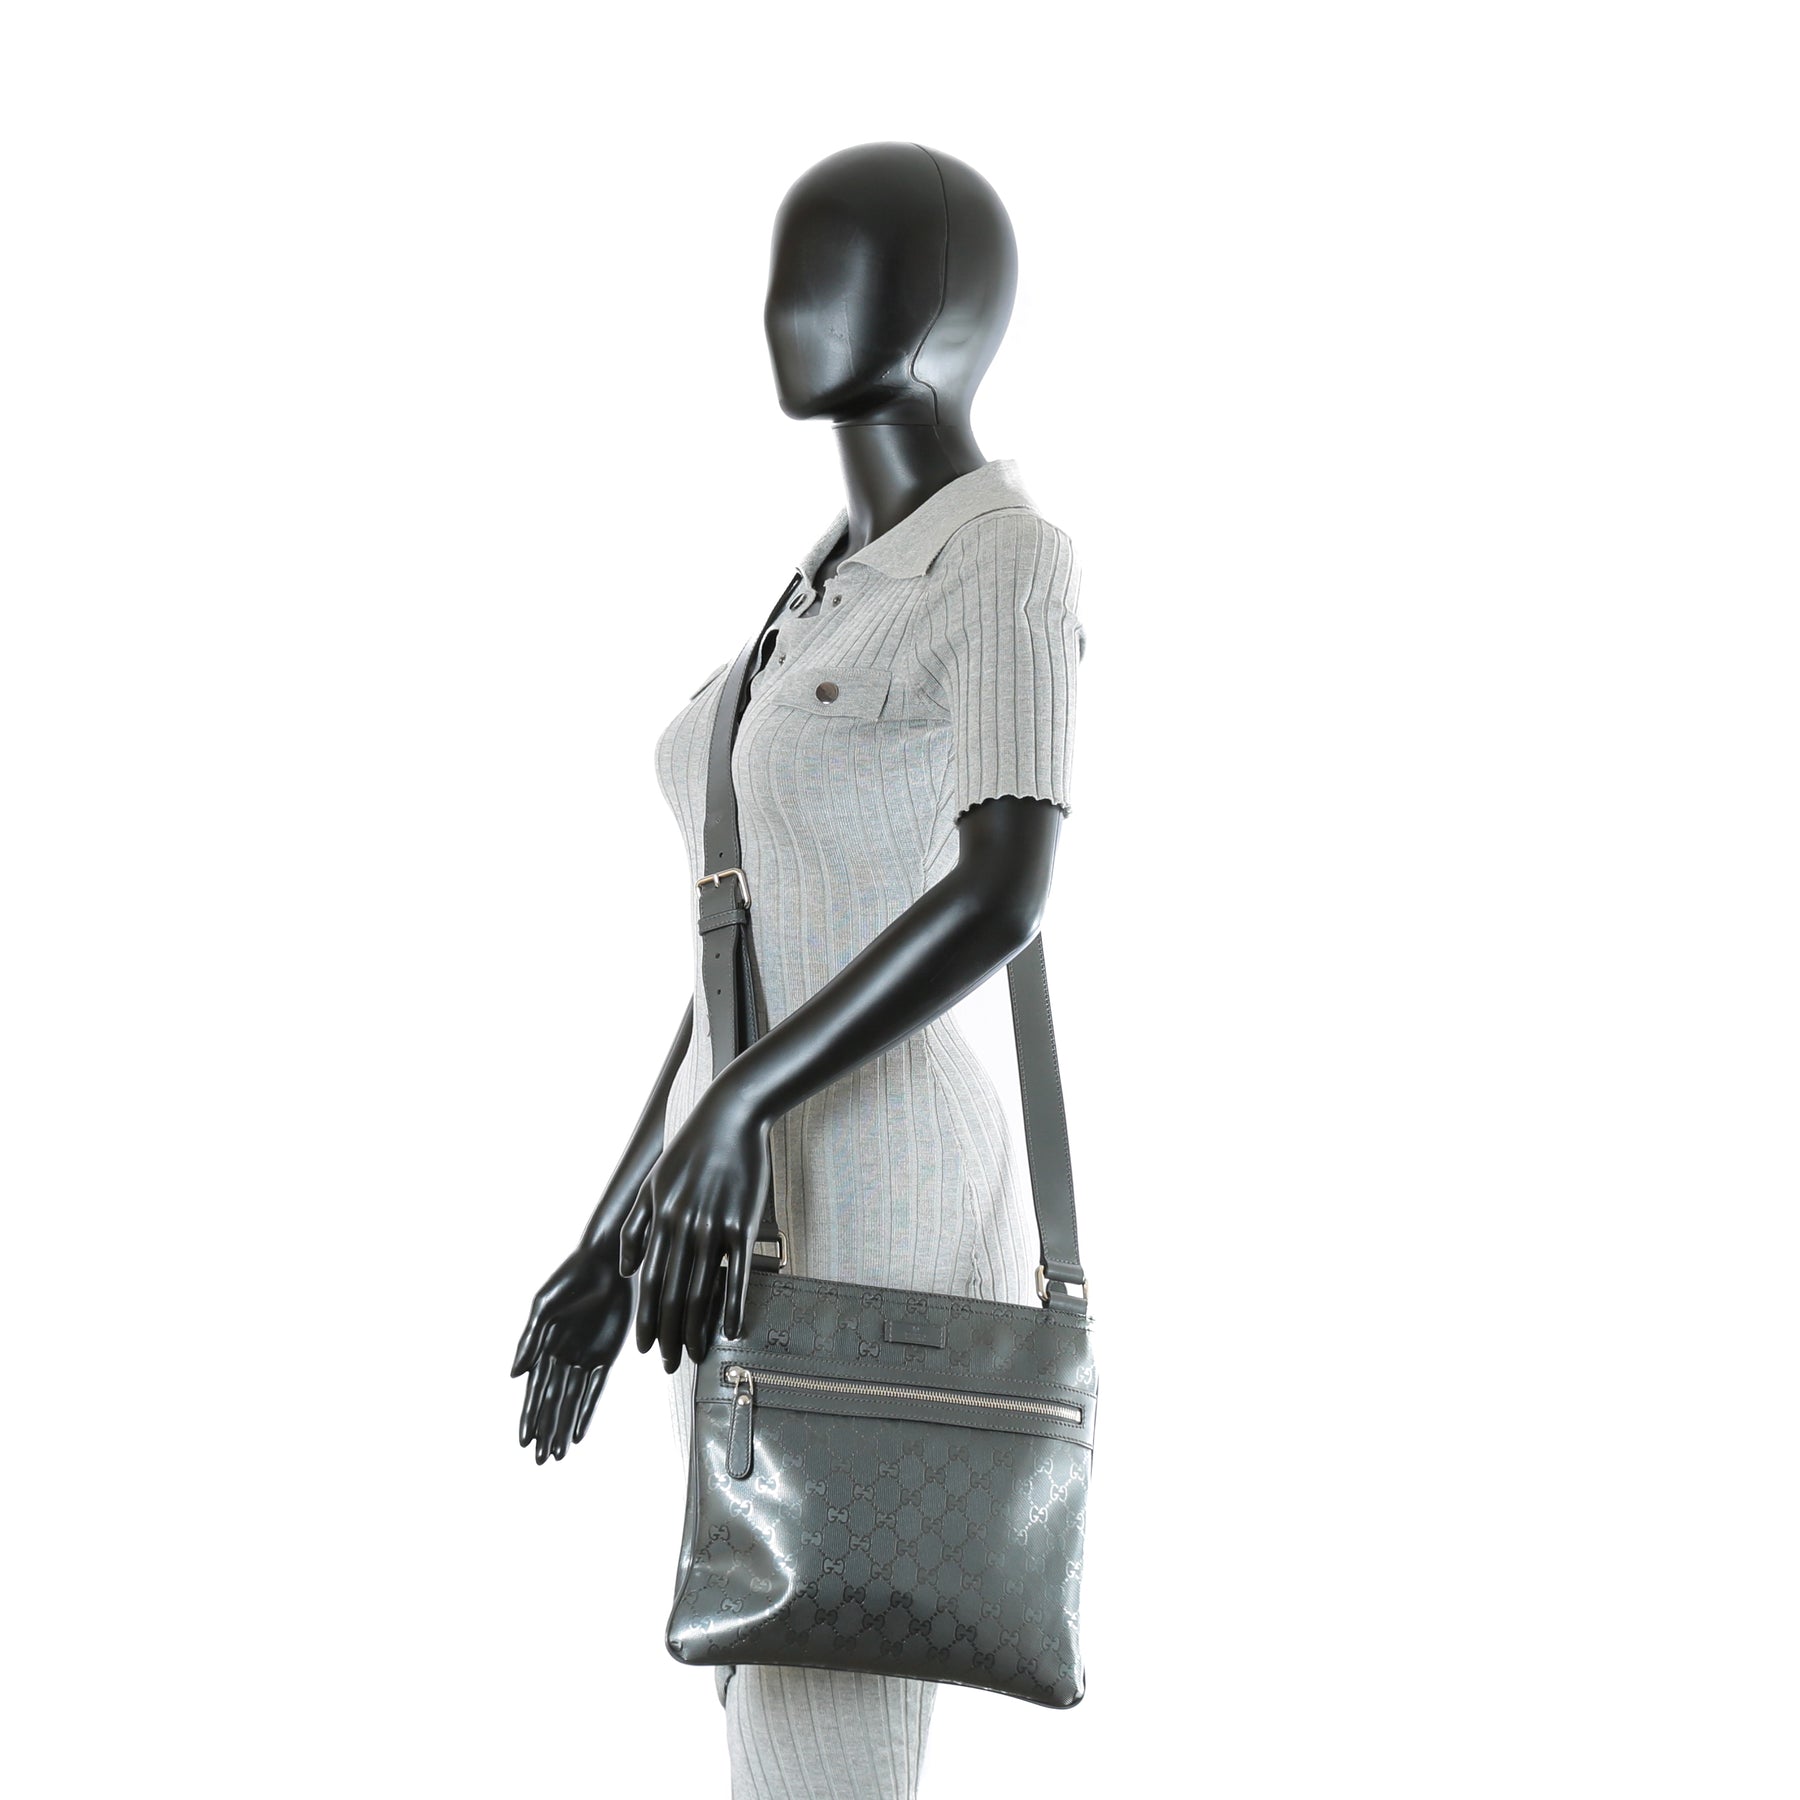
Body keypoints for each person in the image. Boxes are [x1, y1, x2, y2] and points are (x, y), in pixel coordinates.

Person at [511, 141, 1085, 1799]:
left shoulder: (1004, 561)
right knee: (759, 1667)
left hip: (878, 1169)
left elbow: (1003, 894)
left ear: (943, 314)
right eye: (786, 264)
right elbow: (740, 937)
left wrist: (737, 1107)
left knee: (825, 1704)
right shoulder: (819, 581)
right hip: (737, 1180)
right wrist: (624, 1212)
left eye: (839, 267)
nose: (790, 303)